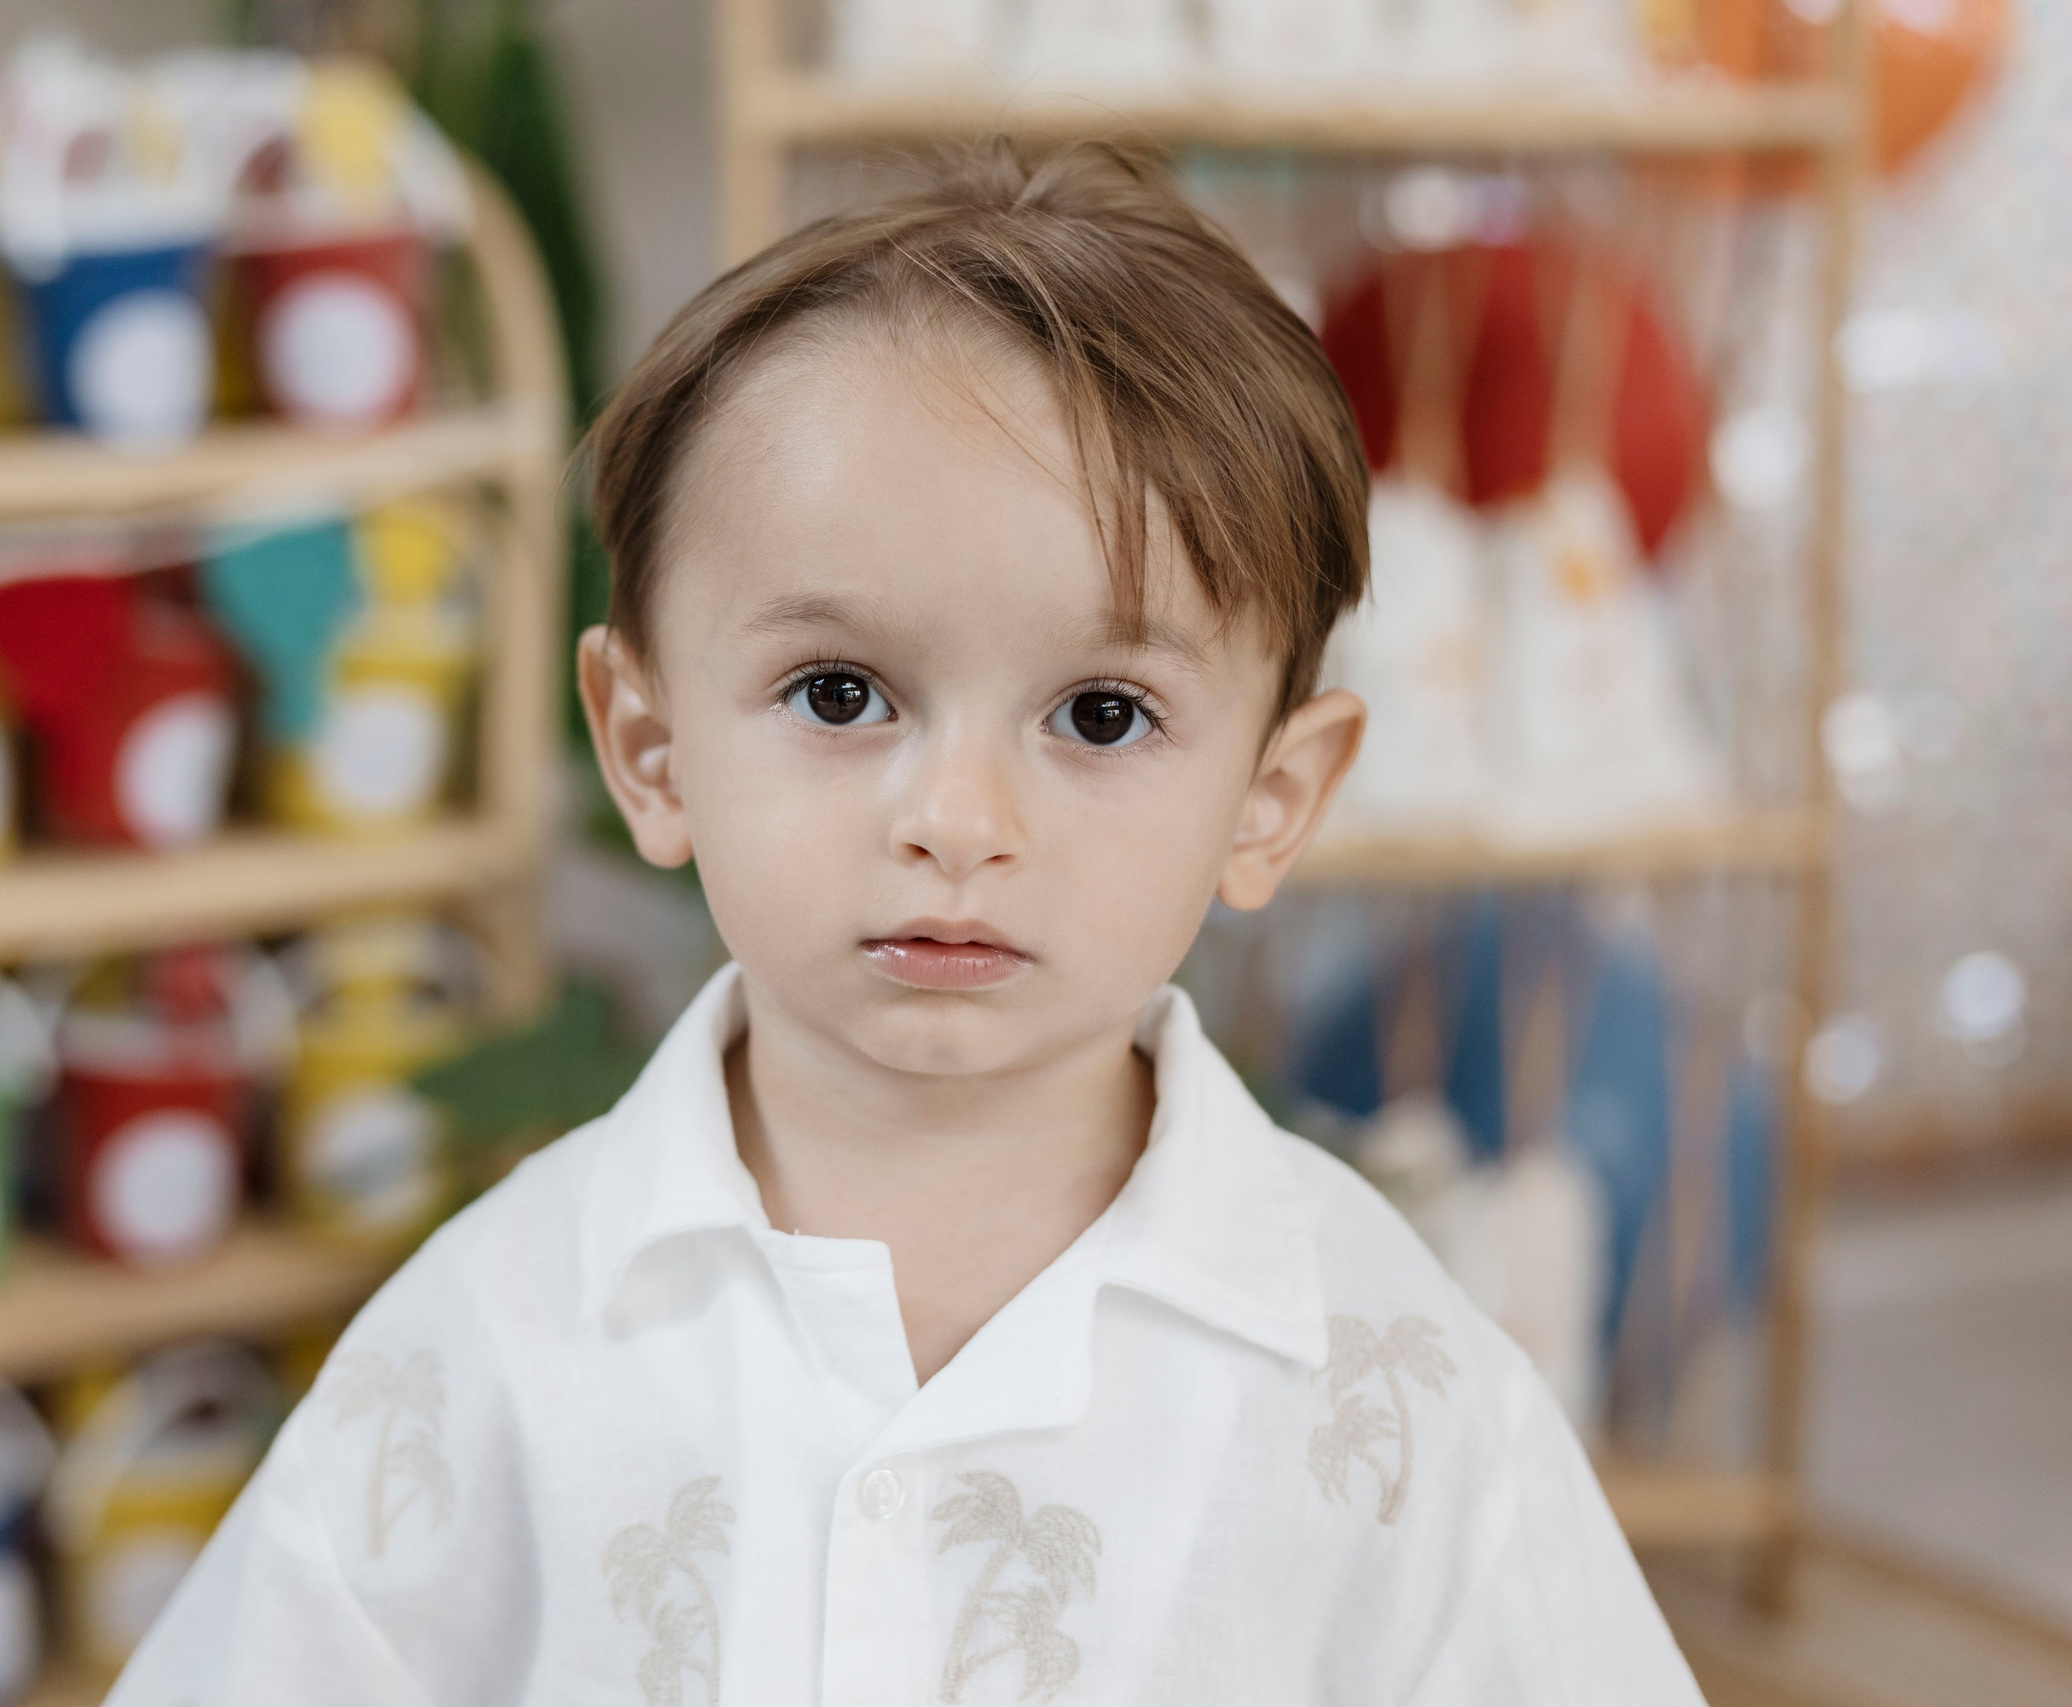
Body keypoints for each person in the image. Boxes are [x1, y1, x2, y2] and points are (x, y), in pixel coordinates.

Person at [106, 139, 1705, 1706]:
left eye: (1098, 715)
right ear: (652, 752)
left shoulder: (1393, 1383)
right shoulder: (490, 1341)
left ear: (1270, 801)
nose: (957, 818)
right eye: (840, 693)